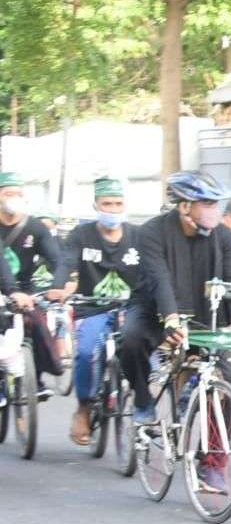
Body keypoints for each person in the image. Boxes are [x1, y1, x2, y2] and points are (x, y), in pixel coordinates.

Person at [119, 171, 231, 492]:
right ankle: (143, 403)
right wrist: (169, 317)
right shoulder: (152, 232)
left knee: (226, 385)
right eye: (206, 203)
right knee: (131, 341)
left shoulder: (223, 236)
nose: (213, 210)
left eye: (215, 203)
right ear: (183, 206)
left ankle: (212, 464)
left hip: (203, 316)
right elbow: (159, 279)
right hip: (155, 308)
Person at [61, 176, 141, 444]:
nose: (113, 209)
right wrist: (58, 286)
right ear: (96, 205)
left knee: (148, 359)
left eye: (118, 203)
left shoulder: (138, 236)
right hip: (91, 309)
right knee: (85, 353)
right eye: (107, 203)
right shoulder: (81, 235)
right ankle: (83, 408)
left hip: (130, 310)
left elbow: (156, 270)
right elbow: (65, 263)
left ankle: (142, 409)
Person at [0, 171, 70, 399]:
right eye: (8, 193)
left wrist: (60, 285)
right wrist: (12, 292)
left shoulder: (35, 228)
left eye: (18, 194)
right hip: (7, 289)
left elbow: (58, 259)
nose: (14, 198)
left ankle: (38, 378)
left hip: (25, 289)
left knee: (37, 323)